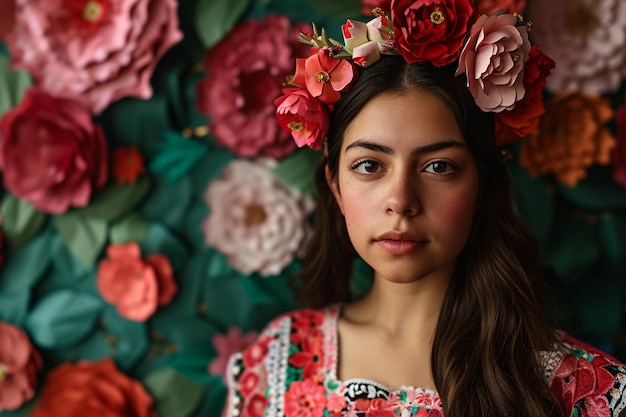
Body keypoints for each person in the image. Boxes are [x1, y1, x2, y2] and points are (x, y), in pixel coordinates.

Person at [222, 3, 626, 417]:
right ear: (335, 186)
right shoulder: (275, 367)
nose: (400, 200)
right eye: (369, 166)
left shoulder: (584, 390)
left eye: (438, 166)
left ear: (482, 185)